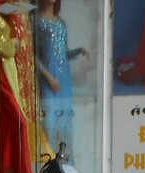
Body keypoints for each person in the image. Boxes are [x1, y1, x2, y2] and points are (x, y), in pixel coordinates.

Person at [36, 0, 88, 157]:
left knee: (65, 121)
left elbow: (65, 52)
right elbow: (33, 55)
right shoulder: (37, 22)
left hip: (64, 76)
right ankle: (51, 162)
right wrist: (48, 76)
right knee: (50, 120)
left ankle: (67, 164)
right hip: (48, 77)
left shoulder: (61, 23)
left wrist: (79, 51)